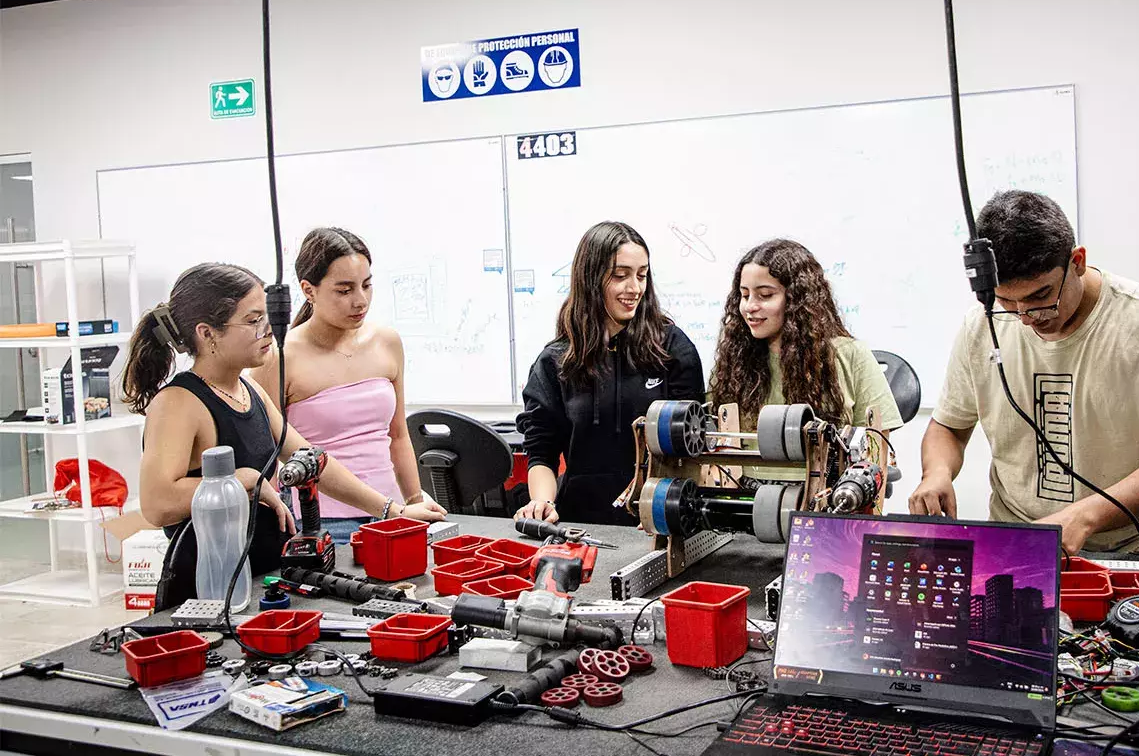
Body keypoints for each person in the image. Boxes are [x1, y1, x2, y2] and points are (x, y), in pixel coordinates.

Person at [911, 191, 1139, 554]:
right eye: (1007, 303)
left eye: (1040, 296)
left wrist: (1083, 517)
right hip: (1018, 546)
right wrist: (937, 473)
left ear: (1077, 261)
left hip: (1132, 554)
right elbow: (949, 425)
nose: (1027, 317)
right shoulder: (982, 326)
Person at [123, 263, 445, 604]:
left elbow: (313, 462)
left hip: (263, 578)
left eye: (266, 317)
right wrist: (243, 479)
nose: (267, 330)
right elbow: (157, 504)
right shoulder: (179, 403)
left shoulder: (249, 392)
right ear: (208, 334)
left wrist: (392, 511)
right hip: (211, 596)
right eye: (252, 320)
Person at [515, 222, 704, 526]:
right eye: (620, 275)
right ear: (590, 278)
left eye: (641, 275)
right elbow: (541, 452)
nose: (635, 288)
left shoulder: (671, 347)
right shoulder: (555, 361)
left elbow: (692, 446)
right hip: (580, 523)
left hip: (656, 521)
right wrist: (542, 503)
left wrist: (667, 506)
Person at [252, 227, 424, 544]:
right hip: (323, 523)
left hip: (393, 514)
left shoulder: (386, 342)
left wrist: (415, 501)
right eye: (344, 291)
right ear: (309, 289)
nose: (360, 301)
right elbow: (270, 455)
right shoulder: (278, 356)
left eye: (367, 285)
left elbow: (398, 434)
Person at [708, 239, 903, 483]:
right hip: (746, 497)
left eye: (765, 295)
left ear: (797, 299)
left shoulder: (850, 354)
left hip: (825, 498)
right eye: (744, 295)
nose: (750, 307)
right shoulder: (734, 360)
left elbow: (876, 446)